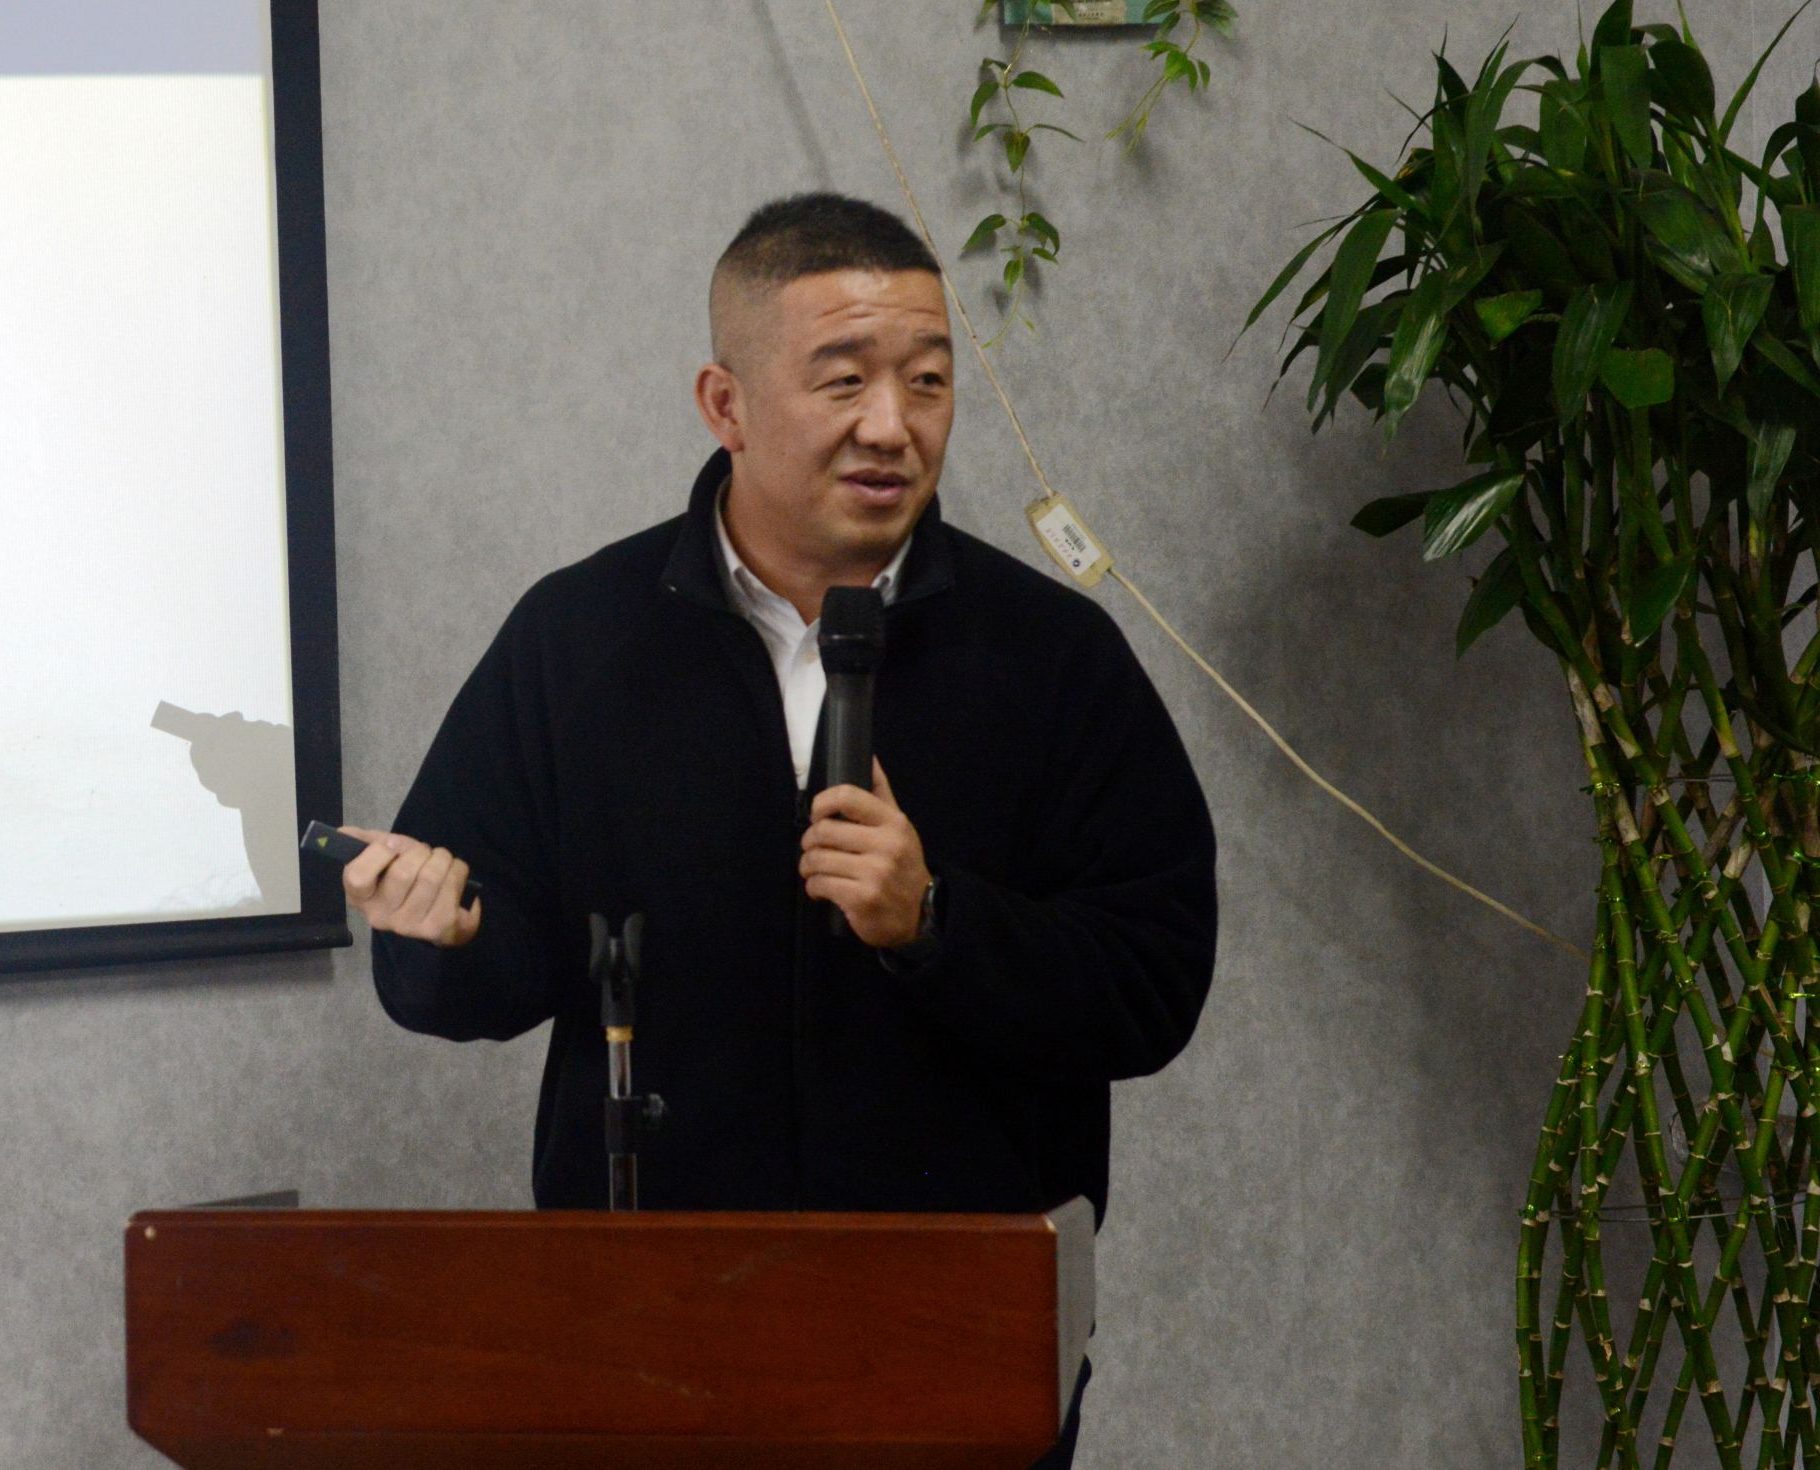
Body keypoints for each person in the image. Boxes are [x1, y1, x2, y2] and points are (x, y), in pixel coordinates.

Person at [341, 192, 1218, 1470]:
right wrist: (446, 939)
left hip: (959, 1331)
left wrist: (936, 922)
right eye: (843, 380)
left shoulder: (1052, 658)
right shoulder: (577, 640)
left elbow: (1153, 984)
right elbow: (483, 962)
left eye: (927, 381)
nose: (892, 426)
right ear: (726, 404)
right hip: (653, 1323)